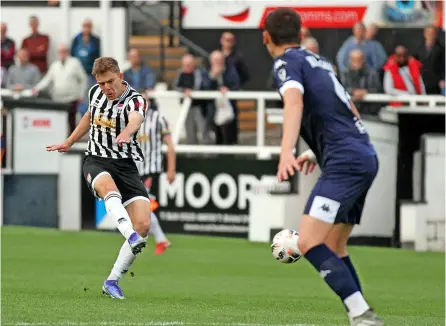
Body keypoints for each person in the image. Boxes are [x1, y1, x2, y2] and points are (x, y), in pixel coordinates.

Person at [264, 8, 383, 326]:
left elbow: (294, 103)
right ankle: (360, 315)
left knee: (308, 242)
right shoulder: (321, 63)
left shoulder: (286, 62)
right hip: (364, 155)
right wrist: (317, 153)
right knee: (334, 245)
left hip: (345, 161)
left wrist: (287, 151)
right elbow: (351, 110)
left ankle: (362, 313)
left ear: (266, 38)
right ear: (301, 35)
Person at [46, 57, 151, 300]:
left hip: (126, 165)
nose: (106, 88)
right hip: (96, 159)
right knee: (108, 188)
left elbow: (136, 118)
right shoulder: (95, 93)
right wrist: (69, 141)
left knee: (144, 225)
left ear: (120, 75)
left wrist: (126, 132)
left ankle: (111, 282)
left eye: (110, 82)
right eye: (102, 83)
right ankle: (130, 235)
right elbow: (88, 117)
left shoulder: (136, 100)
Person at [136, 108, 176, 255]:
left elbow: (170, 145)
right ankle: (161, 239)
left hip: (151, 171)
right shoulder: (129, 118)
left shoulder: (158, 118)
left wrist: (171, 169)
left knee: (143, 208)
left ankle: (160, 239)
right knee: (138, 208)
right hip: (136, 171)